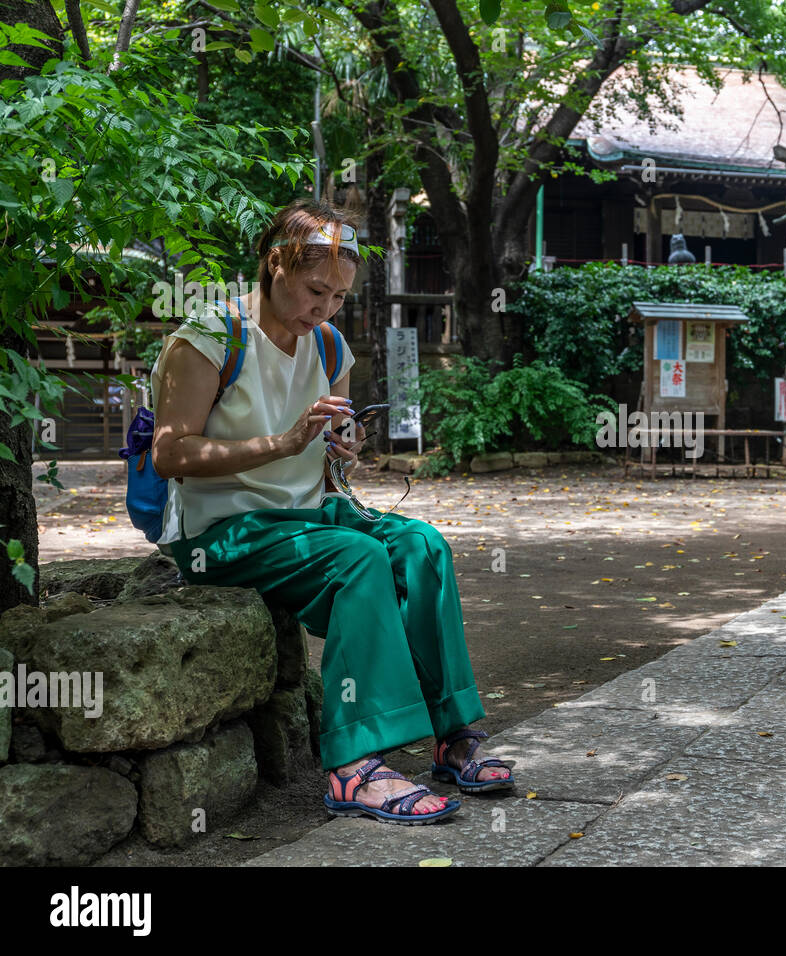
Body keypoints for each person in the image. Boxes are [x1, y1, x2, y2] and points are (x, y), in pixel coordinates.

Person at [149, 198, 514, 825]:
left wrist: (341, 447)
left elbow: (328, 453)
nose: (325, 308)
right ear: (275, 266)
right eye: (317, 290)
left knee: (422, 546)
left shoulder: (328, 345)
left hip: (306, 513)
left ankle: (450, 733)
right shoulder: (210, 337)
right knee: (358, 559)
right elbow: (170, 455)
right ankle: (353, 764)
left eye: (339, 297)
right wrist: (282, 444)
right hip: (223, 529)